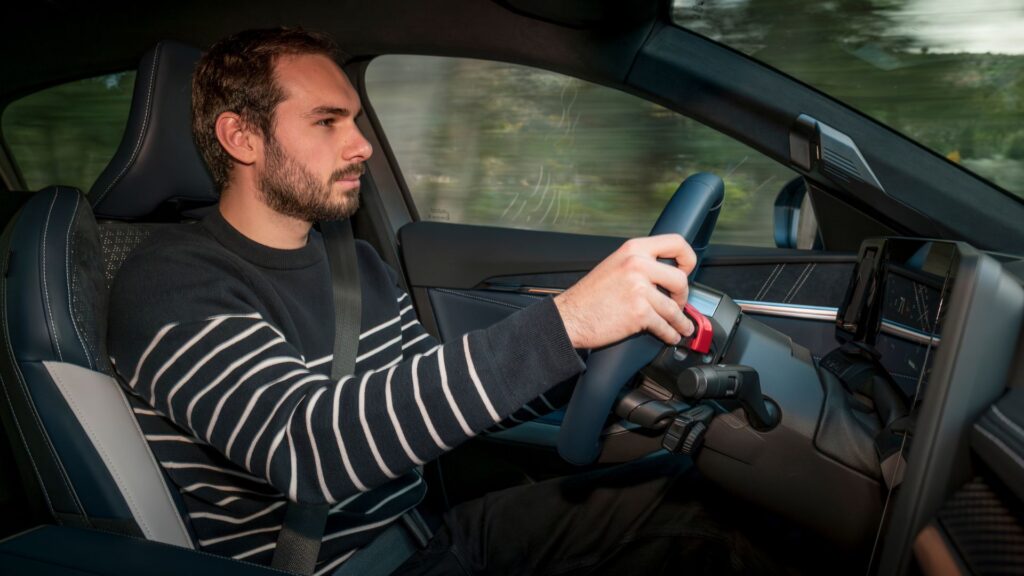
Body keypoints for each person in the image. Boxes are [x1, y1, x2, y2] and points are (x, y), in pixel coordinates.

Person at [108, 28, 772, 576]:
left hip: (431, 537)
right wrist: (566, 323)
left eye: (356, 120)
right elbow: (308, 450)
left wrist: (601, 343)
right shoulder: (168, 283)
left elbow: (434, 394)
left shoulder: (354, 261)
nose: (361, 144)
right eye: (327, 121)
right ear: (241, 138)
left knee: (704, 500)